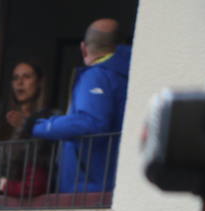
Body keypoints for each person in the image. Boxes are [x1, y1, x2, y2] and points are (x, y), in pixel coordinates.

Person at [21, 20, 130, 194]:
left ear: (83, 48)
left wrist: (37, 126)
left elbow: (90, 122)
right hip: (115, 184)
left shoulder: (96, 75)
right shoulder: (127, 75)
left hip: (89, 186)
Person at [0, 60, 59, 198]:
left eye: (26, 77)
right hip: (2, 197)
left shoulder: (52, 118)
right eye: (15, 78)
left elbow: (48, 156)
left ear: (39, 82)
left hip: (33, 200)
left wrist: (26, 126)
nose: (19, 83)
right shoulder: (4, 122)